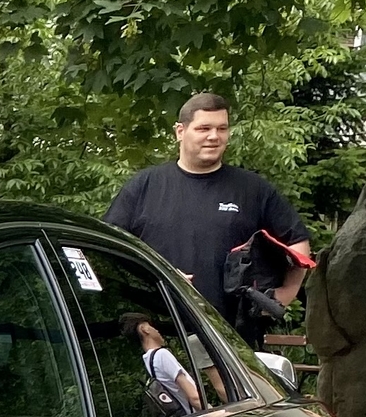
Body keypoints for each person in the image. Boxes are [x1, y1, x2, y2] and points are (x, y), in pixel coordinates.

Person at [106, 93, 313, 334]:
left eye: (222, 128)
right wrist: (157, 276)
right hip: (157, 335)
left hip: (232, 338)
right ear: (180, 132)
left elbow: (298, 243)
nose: (214, 137)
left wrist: (283, 296)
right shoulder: (144, 186)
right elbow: (109, 251)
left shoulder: (253, 189)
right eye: (204, 128)